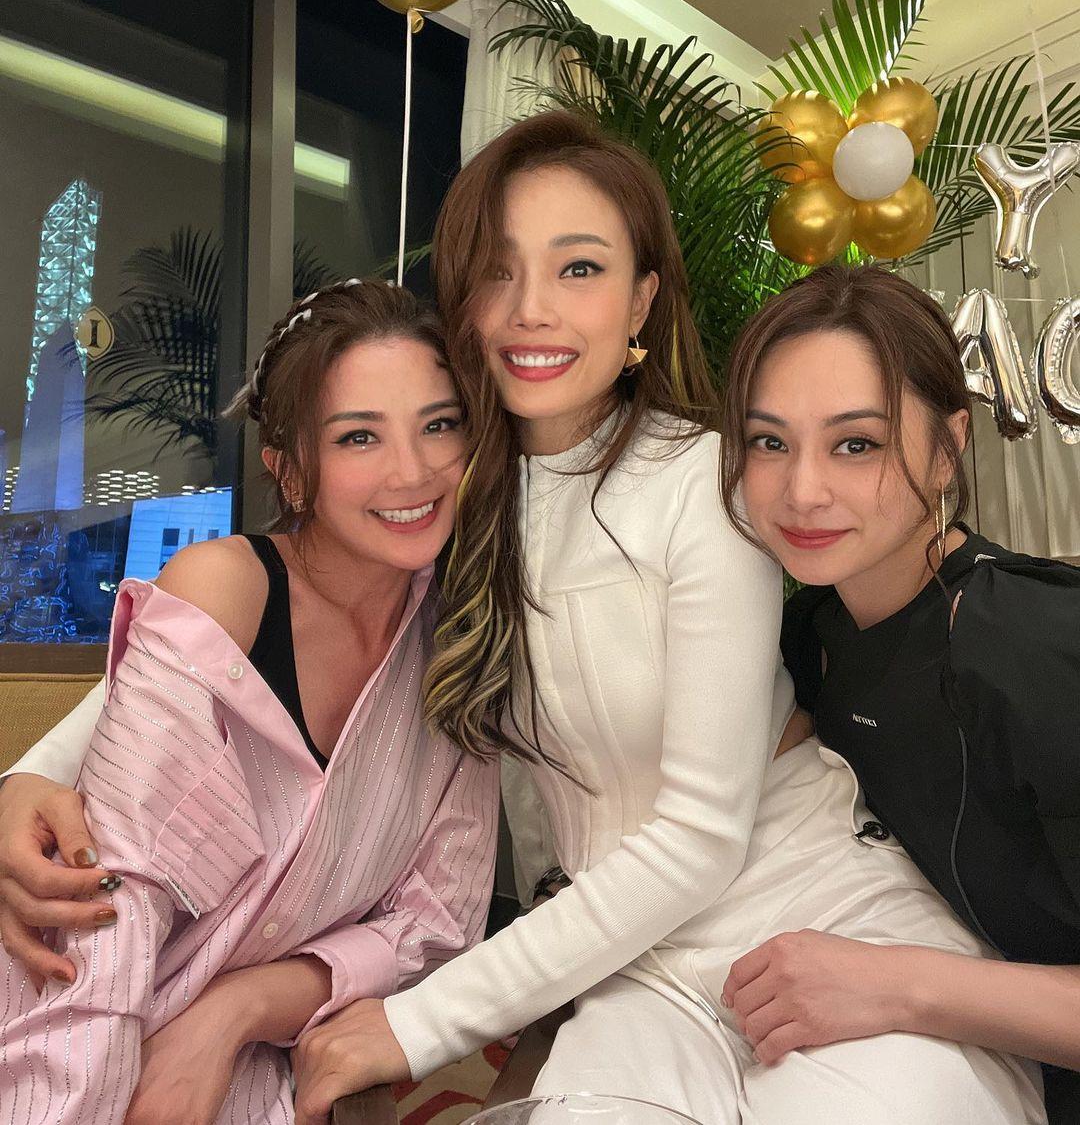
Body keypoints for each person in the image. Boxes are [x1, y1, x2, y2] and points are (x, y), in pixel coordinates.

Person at [288, 113, 1043, 1125]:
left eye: (580, 269)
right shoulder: (451, 498)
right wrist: (65, 783)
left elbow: (698, 836)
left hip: (823, 922)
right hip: (637, 968)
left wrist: (421, 1023)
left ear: (643, 298)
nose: (532, 310)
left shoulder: (709, 480)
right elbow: (265, 615)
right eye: (499, 271)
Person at [0, 280, 498, 1125]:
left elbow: (437, 923)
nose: (413, 471)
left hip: (246, 1062)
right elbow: (109, 910)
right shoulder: (224, 590)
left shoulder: (459, 641)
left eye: (439, 425)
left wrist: (236, 1011)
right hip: (54, 1030)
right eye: (359, 436)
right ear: (291, 472)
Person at [714, 263, 1080, 1124]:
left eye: (857, 444)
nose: (802, 491)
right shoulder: (807, 637)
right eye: (769, 442)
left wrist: (894, 983)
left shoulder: (1032, 644)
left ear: (947, 448)